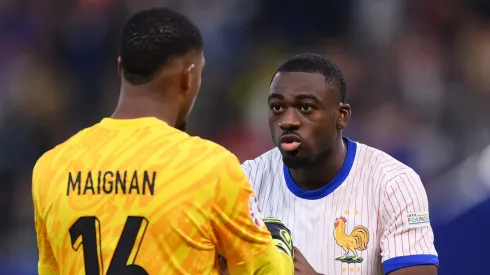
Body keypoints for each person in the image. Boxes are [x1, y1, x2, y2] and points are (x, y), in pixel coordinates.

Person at [32, 8, 294, 275]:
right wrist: (278, 237)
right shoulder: (209, 168)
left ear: (121, 67)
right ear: (189, 77)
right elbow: (265, 270)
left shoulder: (51, 168)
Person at [239, 53, 439, 275]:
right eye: (277, 107)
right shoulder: (245, 181)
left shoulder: (394, 184)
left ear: (341, 116)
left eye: (305, 107)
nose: (287, 121)